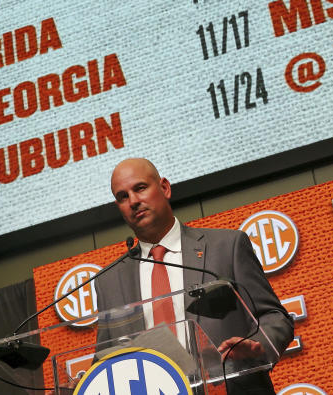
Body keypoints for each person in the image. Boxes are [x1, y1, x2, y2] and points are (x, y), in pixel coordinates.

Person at [94, 158, 294, 395]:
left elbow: (274, 317)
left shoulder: (227, 247)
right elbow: (104, 359)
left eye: (140, 188)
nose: (134, 202)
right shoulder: (108, 281)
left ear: (165, 188)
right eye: (122, 197)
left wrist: (258, 346)